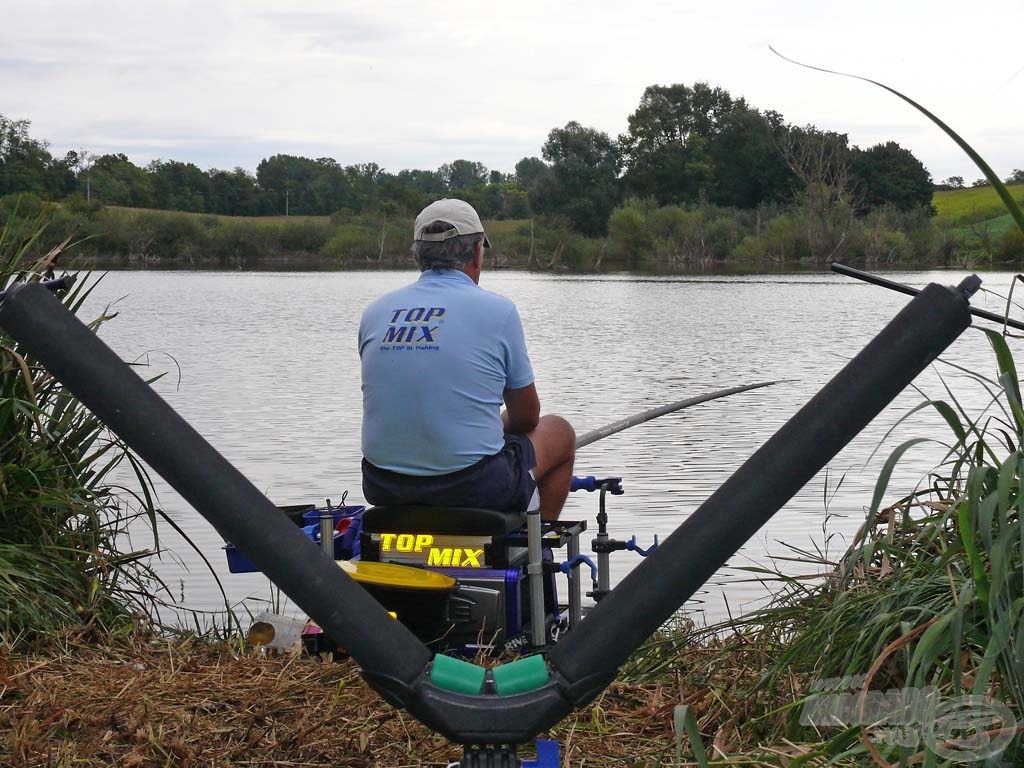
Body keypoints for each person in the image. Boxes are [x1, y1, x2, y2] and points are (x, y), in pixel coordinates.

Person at [358, 199, 575, 521]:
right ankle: (537, 550)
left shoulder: (375, 312)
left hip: (383, 485)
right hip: (474, 485)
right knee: (560, 432)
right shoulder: (498, 311)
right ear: (476, 253)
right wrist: (495, 426)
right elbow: (528, 418)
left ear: (418, 255)